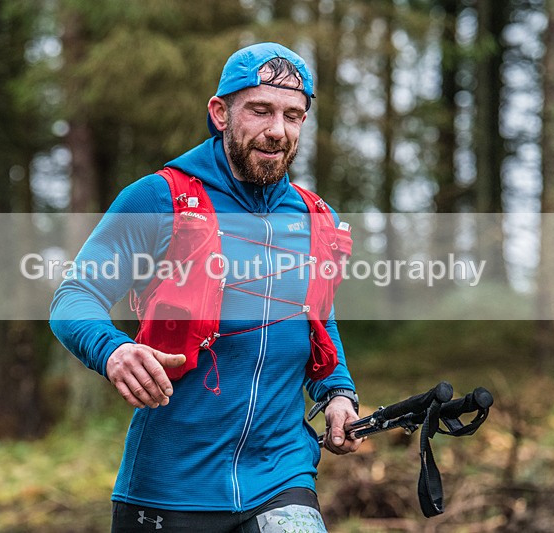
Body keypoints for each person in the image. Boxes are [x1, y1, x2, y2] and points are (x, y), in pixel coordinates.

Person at [50, 42, 363, 533]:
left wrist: (337, 392)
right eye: (260, 111)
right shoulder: (159, 198)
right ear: (220, 112)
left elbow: (317, 321)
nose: (277, 131)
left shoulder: (315, 218)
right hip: (170, 486)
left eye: (293, 116)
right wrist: (113, 351)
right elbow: (73, 297)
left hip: (282, 474)